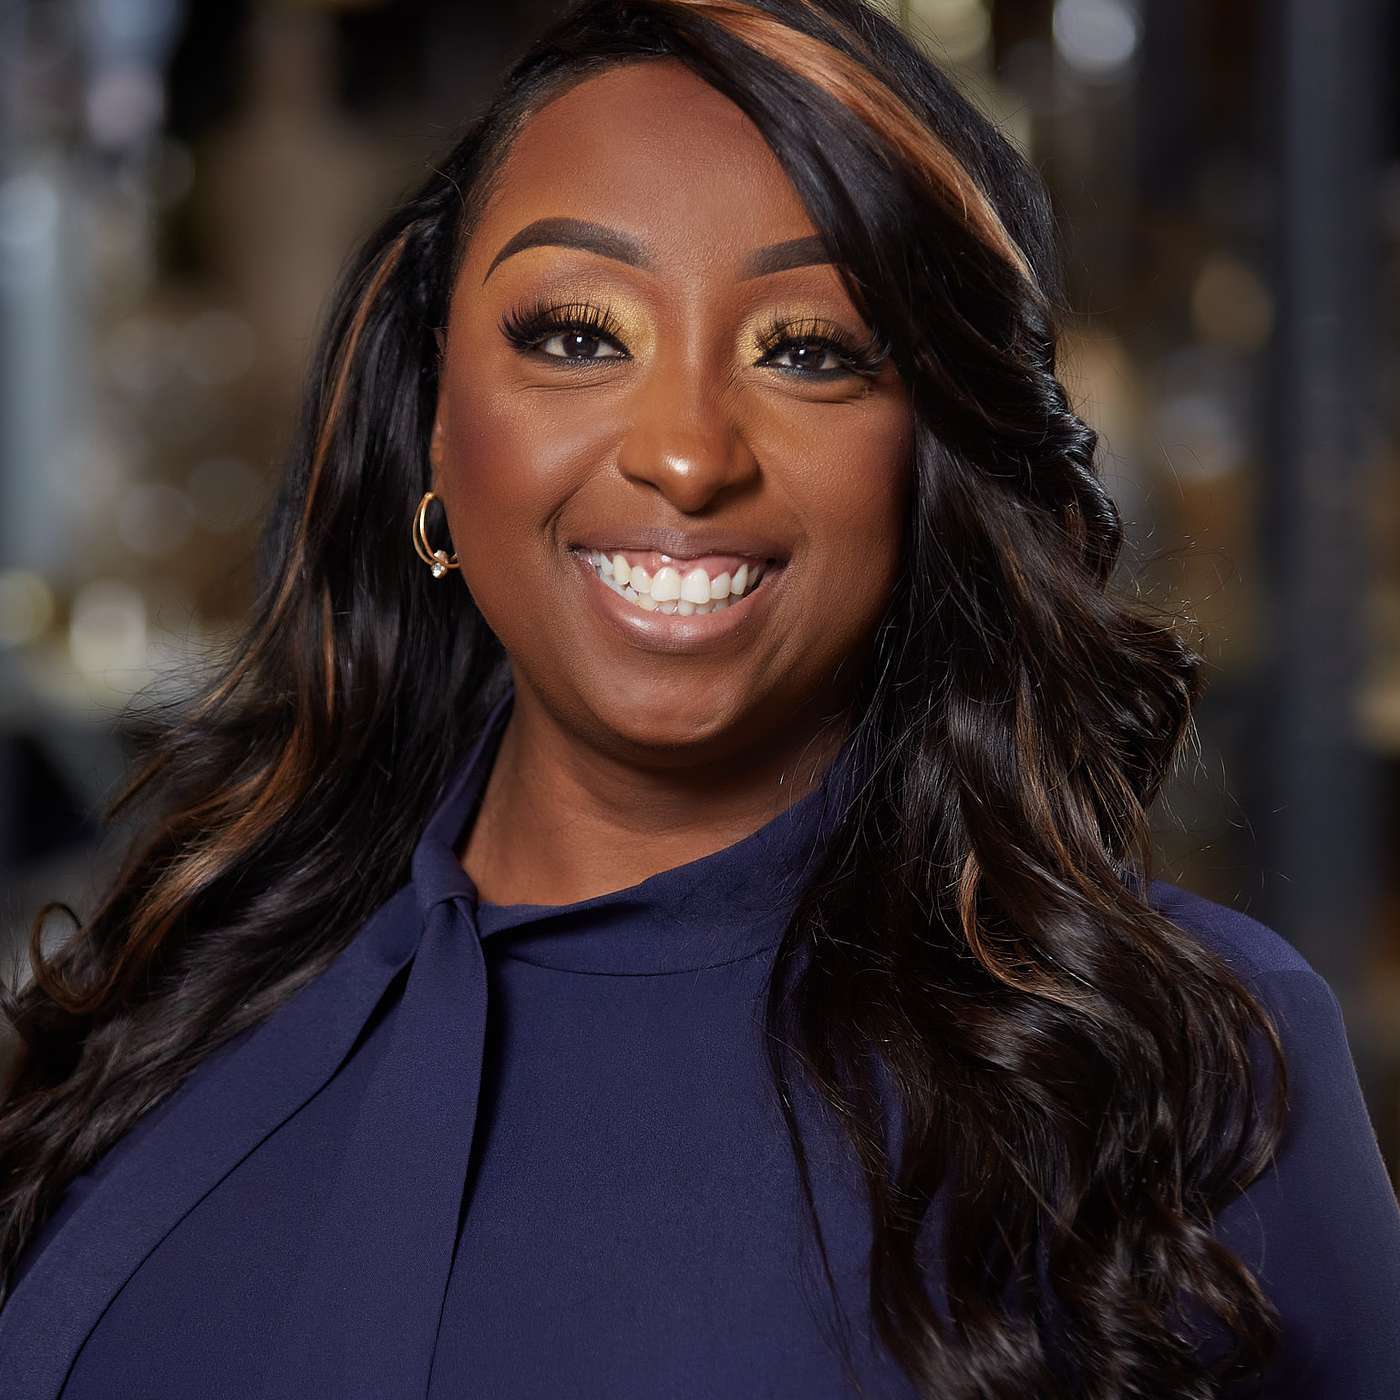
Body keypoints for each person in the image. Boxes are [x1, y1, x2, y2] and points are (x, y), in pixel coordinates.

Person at [2, 1, 1397, 1396]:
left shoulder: (1182, 1070)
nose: (685, 455)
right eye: (577, 335)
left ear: (934, 452)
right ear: (435, 416)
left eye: (809, 350)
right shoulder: (187, 977)